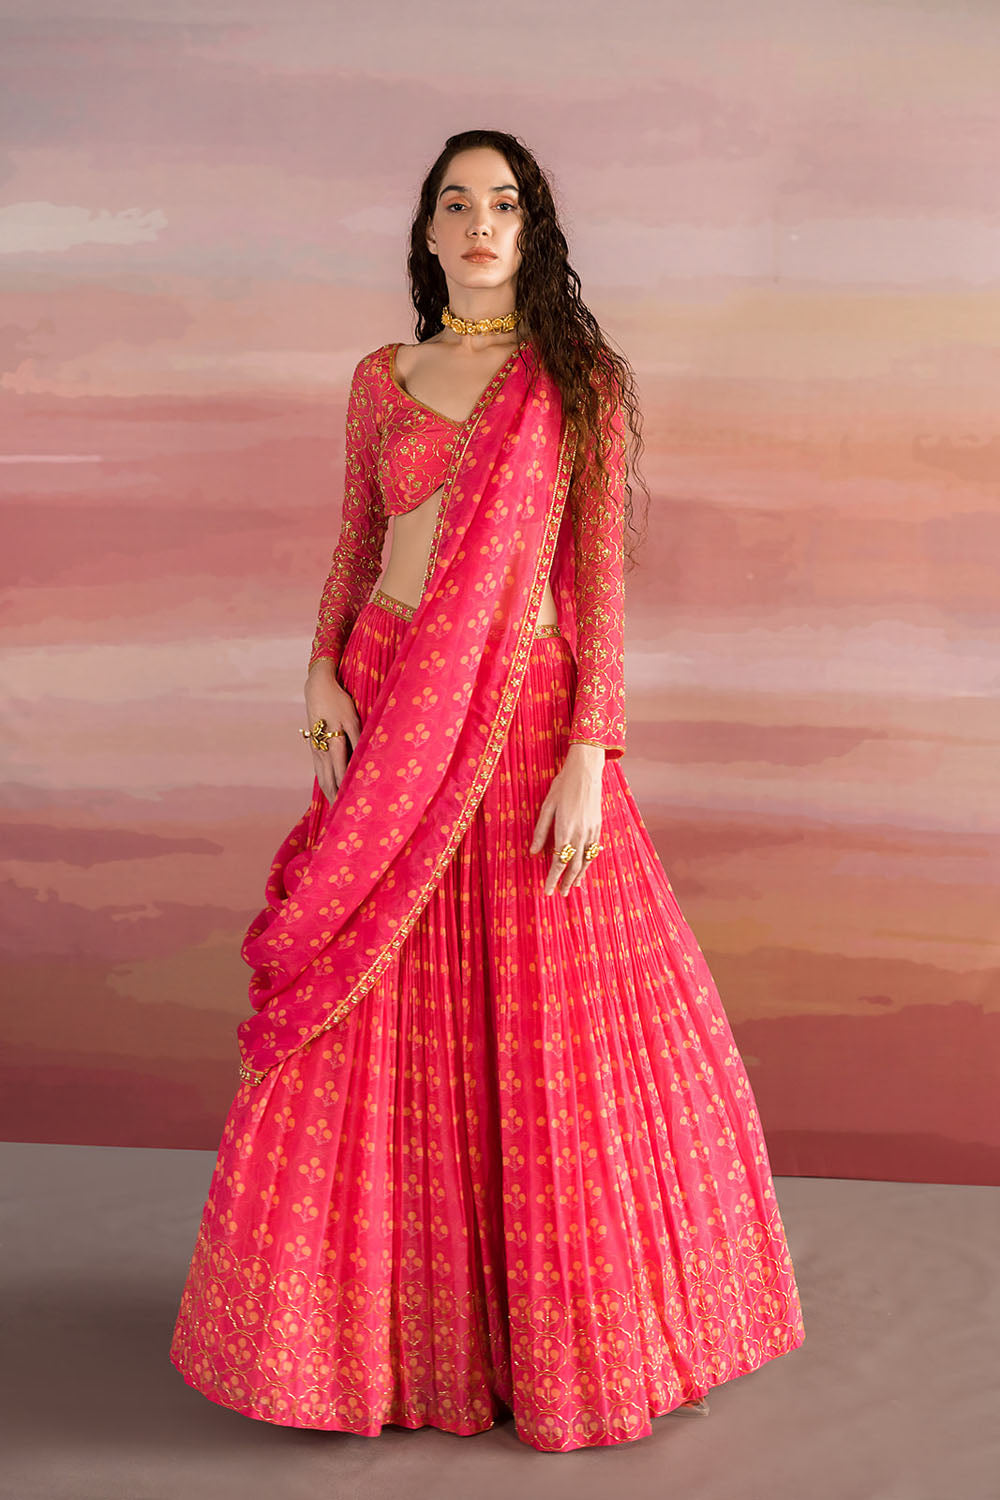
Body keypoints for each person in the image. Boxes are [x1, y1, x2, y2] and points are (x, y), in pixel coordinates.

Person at [169, 128, 805, 1453]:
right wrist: (318, 668)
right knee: (371, 1011)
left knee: (547, 1024)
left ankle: (566, 1340)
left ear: (532, 229)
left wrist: (592, 753)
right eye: (455, 203)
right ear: (426, 231)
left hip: (525, 716)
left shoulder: (577, 387)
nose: (477, 224)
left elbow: (597, 584)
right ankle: (373, 1343)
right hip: (391, 696)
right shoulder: (381, 379)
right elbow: (356, 538)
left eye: (501, 204)